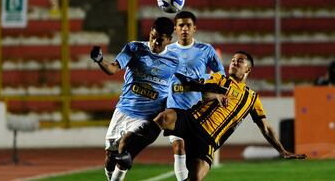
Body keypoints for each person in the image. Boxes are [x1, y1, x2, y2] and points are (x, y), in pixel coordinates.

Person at [128, 51, 307, 181]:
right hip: (192, 120)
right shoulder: (219, 80)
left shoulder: (252, 98)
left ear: (249, 69)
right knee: (165, 117)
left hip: (208, 140)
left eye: (240, 61)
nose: (234, 63)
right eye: (234, 60)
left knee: (196, 176)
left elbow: (266, 128)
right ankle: (128, 151)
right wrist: (217, 96)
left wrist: (282, 150)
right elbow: (203, 93)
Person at [90, 17, 180, 181]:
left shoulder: (176, 60)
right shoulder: (134, 48)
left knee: (126, 144)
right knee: (110, 157)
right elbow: (112, 69)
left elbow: (186, 83)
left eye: (160, 40)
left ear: (169, 40)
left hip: (148, 115)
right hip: (123, 110)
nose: (155, 42)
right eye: (153, 37)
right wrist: (99, 60)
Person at [165, 11, 225, 181]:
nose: (184, 29)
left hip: (198, 111)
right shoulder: (167, 51)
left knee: (195, 162)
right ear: (175, 29)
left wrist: (203, 79)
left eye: (188, 25)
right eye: (181, 25)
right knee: (179, 147)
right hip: (175, 107)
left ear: (194, 28)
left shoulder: (205, 49)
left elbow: (220, 74)